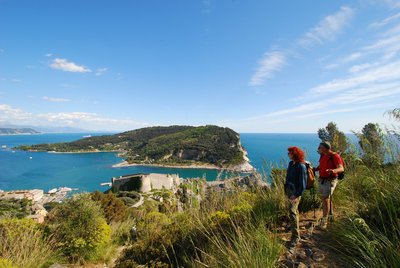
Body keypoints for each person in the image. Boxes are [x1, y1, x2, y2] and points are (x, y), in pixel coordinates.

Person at [315, 141, 344, 229]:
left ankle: (324, 222)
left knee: (325, 198)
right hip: (322, 179)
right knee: (325, 199)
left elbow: (341, 168)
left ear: (325, 148)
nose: (318, 149)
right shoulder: (323, 155)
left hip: (330, 180)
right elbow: (322, 166)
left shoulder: (334, 156)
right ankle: (331, 215)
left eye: (320, 147)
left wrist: (333, 171)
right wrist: (315, 169)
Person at [285, 146, 307, 248]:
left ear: (295, 154)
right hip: (289, 191)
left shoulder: (301, 167)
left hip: (295, 193)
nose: (288, 154)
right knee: (294, 212)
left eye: (289, 153)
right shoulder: (291, 164)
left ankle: (295, 237)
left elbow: (303, 184)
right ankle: (295, 228)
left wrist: (296, 195)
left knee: (292, 212)